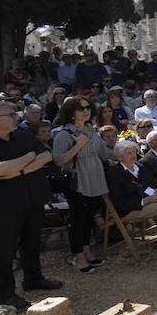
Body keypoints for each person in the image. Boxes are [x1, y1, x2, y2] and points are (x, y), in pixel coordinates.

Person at [0, 101, 62, 308]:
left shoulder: (23, 135)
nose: (16, 117)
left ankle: (33, 278)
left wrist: (17, 169)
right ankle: (4, 293)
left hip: (33, 197)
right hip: (7, 204)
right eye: (11, 114)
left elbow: (46, 155)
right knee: (3, 250)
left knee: (32, 242)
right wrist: (29, 158)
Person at [104, 139, 157, 263]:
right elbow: (119, 202)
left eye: (134, 152)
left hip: (149, 204)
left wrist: (156, 193)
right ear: (119, 157)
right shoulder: (114, 174)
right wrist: (145, 201)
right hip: (129, 209)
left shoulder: (140, 168)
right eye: (129, 153)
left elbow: (149, 185)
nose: (133, 156)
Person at [51, 97, 108, 274]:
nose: (86, 111)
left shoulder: (92, 129)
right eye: (80, 108)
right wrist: (79, 145)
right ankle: (78, 256)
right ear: (71, 112)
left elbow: (103, 152)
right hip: (78, 180)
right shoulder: (64, 134)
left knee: (89, 216)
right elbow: (59, 160)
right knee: (78, 219)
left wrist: (122, 157)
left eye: (88, 107)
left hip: (95, 176)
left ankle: (86, 251)